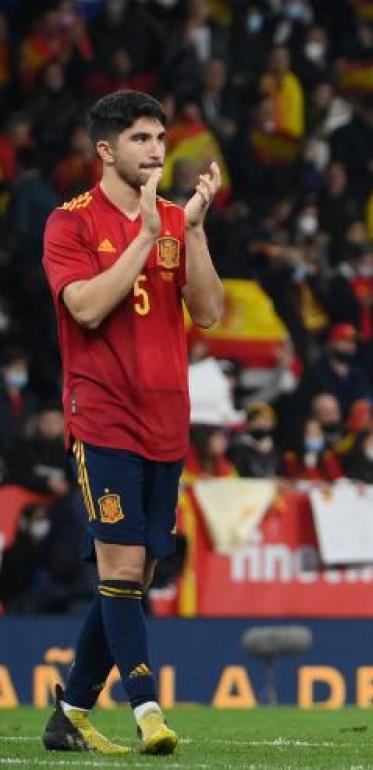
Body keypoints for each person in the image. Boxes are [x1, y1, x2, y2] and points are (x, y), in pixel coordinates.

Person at [39, 90, 223, 756]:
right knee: (119, 564)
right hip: (105, 414)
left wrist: (193, 232)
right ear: (107, 151)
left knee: (136, 574)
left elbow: (206, 312)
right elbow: (85, 307)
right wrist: (144, 237)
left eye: (160, 139)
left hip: (166, 416)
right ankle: (146, 708)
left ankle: (70, 713)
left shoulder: (175, 219)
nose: (156, 150)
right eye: (142, 139)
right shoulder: (71, 223)